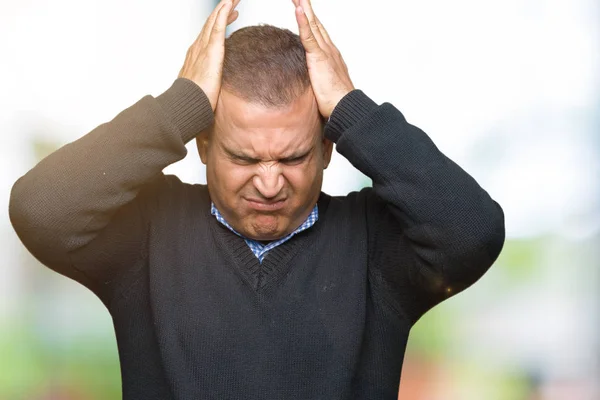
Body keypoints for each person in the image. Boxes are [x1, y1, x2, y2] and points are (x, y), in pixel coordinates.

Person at [8, 0, 505, 398]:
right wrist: (180, 107)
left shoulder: (378, 248)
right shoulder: (146, 236)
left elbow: (473, 231)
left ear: (329, 148)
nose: (269, 184)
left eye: (292, 158)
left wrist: (353, 111)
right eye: (244, 159)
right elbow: (42, 209)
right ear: (202, 146)